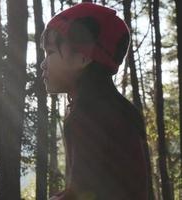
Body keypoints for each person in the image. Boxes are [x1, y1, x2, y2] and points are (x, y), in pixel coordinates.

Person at [40, 3, 148, 200]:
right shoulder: (121, 110)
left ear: (83, 58)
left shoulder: (87, 117)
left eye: (50, 52)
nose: (43, 63)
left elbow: (82, 193)